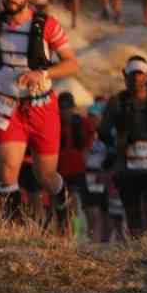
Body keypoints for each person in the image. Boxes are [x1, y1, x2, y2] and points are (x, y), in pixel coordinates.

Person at [0, 0, 78, 226]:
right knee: (7, 171)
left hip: (42, 105)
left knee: (45, 174)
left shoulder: (47, 25)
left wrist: (42, 72)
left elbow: (72, 64)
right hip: (7, 104)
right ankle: (14, 232)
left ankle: (62, 201)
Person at [96, 57, 147, 238]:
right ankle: (138, 247)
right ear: (125, 76)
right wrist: (116, 146)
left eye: (139, 75)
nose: (136, 79)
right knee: (132, 212)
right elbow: (103, 131)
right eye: (132, 75)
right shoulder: (117, 102)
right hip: (126, 165)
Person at [56, 92, 94, 238]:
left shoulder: (81, 122)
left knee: (79, 203)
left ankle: (79, 233)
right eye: (63, 108)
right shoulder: (55, 122)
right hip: (60, 170)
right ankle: (65, 234)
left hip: (78, 169)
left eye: (68, 108)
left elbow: (92, 134)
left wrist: (86, 150)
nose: (66, 111)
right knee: (61, 205)